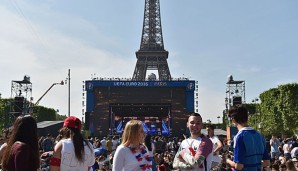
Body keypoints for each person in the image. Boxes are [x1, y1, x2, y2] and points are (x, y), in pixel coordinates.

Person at [225, 105, 270, 171]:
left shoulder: (239, 137)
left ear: (233, 119)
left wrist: (228, 161)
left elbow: (239, 166)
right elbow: (267, 162)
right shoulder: (259, 136)